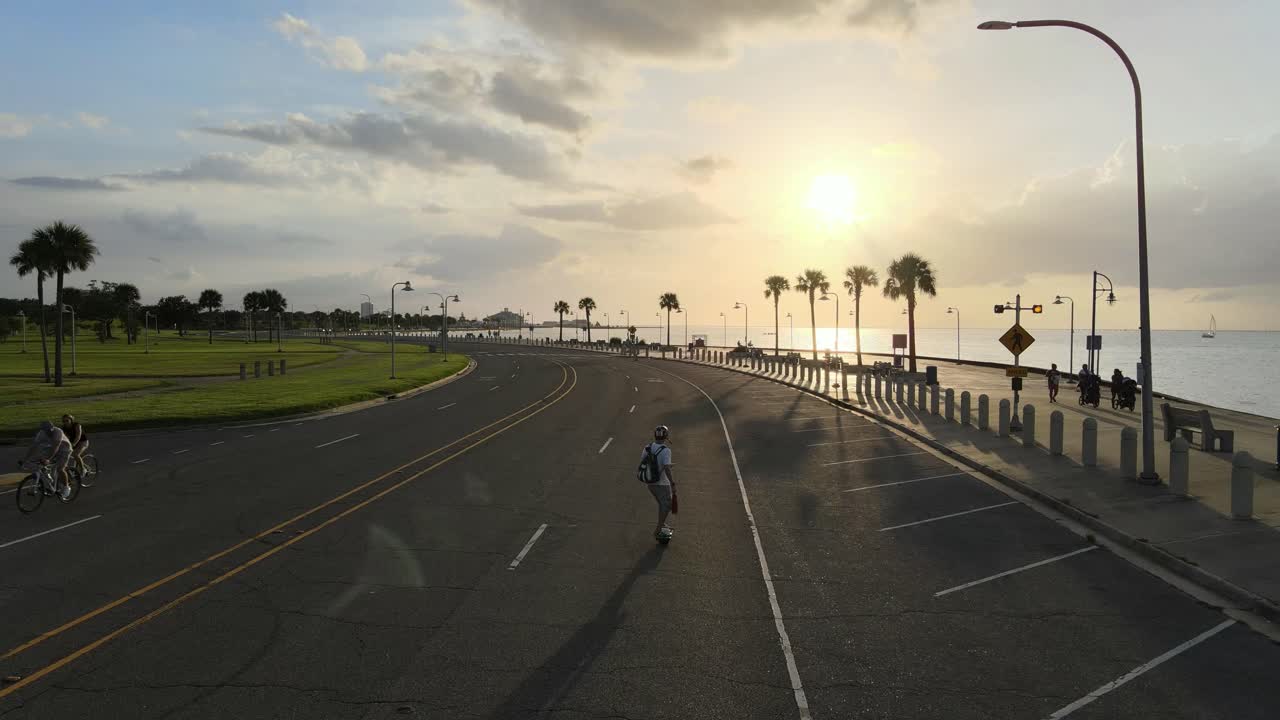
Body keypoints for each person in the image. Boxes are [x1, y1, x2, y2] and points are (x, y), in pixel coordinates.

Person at [638, 425, 675, 541]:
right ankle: (658, 529)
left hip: (650, 483)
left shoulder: (647, 447)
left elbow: (643, 461)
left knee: (662, 504)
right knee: (668, 505)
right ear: (666, 436)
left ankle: (662, 524)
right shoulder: (666, 451)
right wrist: (672, 483)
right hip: (662, 484)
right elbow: (667, 469)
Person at [20, 420, 73, 500]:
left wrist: (48, 459)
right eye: (46, 431)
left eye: (49, 430)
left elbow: (56, 447)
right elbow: (33, 447)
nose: (48, 432)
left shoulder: (58, 432)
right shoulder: (41, 433)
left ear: (52, 428)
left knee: (60, 469)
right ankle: (50, 480)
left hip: (64, 450)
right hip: (51, 448)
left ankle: (66, 488)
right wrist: (25, 459)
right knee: (39, 460)